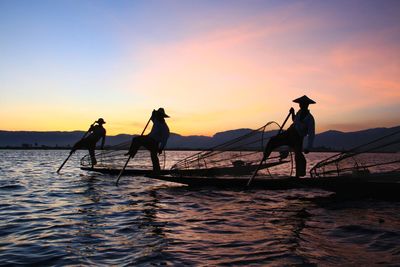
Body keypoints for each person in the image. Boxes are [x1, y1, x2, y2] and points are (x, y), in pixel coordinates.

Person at [263, 95, 316, 177]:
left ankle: (298, 175)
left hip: (298, 138)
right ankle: (265, 157)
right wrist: (292, 113)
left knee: (298, 156)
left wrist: (308, 147)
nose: (301, 105)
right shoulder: (299, 113)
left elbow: (311, 134)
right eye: (300, 104)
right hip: (289, 133)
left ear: (307, 105)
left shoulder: (310, 119)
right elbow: (295, 121)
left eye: (303, 104)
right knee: (273, 140)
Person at [125, 108, 170, 174]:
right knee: (136, 140)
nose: (158, 116)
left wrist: (161, 148)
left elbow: (164, 139)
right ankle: (132, 153)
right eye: (158, 115)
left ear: (162, 116)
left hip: (154, 142)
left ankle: (157, 171)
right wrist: (153, 112)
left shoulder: (165, 127)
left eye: (159, 115)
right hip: (149, 138)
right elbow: (152, 118)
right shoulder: (157, 121)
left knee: (153, 155)